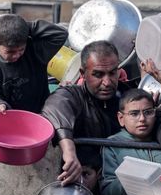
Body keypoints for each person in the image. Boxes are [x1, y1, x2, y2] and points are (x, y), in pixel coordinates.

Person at [41, 40, 125, 185]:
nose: (107, 82)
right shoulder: (72, 95)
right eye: (98, 74)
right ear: (83, 73)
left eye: (112, 73)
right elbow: (55, 107)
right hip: (80, 185)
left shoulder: (128, 96)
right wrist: (69, 151)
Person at [0, 14, 68, 113]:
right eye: (10, 52)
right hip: (13, 118)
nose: (16, 55)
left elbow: (61, 34)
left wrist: (23, 28)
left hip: (43, 111)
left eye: (21, 49)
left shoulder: (35, 50)